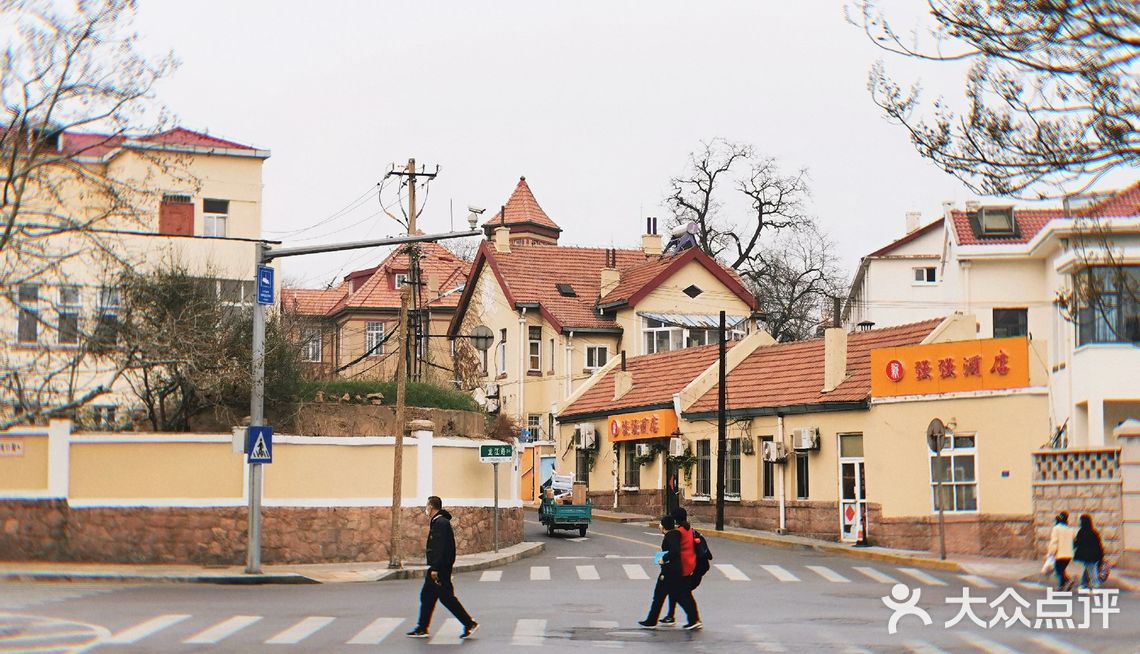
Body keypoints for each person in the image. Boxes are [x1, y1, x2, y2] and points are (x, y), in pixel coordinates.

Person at [407, 496, 479, 639]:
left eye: (427, 506)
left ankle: (469, 623)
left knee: (447, 598)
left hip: (439, 569)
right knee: (427, 596)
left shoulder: (440, 523)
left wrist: (435, 568)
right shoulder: (439, 522)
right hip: (439, 568)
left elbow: (440, 547)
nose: (426, 509)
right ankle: (422, 628)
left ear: (431, 507)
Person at [638, 515, 701, 630]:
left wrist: (664, 558)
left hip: (670, 572)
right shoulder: (674, 534)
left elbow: (675, 551)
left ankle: (652, 620)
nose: (659, 526)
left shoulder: (671, 535)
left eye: (661, 524)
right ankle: (693, 619)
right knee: (680, 595)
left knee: (663, 596)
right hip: (675, 570)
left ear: (664, 526)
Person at [661, 508, 712, 626]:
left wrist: (664, 558)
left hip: (686, 568)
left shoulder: (679, 532)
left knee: (682, 594)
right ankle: (671, 616)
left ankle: (694, 620)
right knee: (678, 591)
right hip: (695, 567)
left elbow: (674, 550)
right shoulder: (689, 529)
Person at [1046, 511, 1078, 591]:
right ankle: (1063, 584)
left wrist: (1051, 552)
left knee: (1058, 570)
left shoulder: (1056, 529)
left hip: (1059, 554)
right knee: (1062, 570)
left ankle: (1067, 582)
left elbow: (1054, 542)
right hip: (1069, 554)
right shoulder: (1070, 529)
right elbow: (1074, 541)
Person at [1073, 514, 1104, 590]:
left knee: (1091, 569)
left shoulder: (1081, 532)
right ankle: (1084, 584)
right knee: (1089, 568)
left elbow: (1077, 542)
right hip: (1093, 554)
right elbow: (1098, 544)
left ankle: (1094, 583)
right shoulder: (1094, 532)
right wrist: (1101, 555)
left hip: (1085, 555)